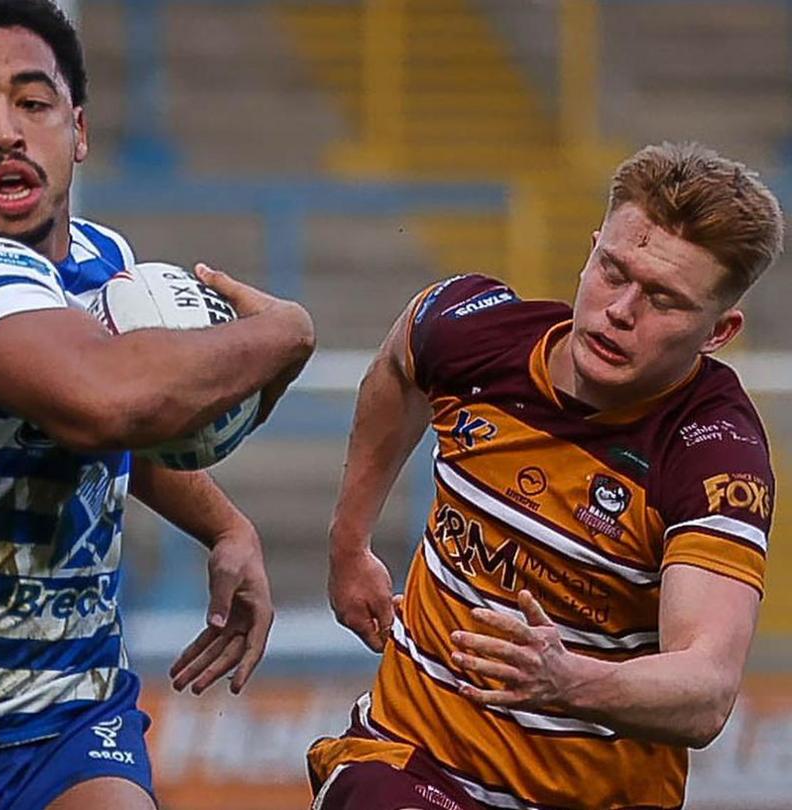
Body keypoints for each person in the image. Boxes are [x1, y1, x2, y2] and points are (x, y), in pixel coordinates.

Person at [0, 1, 316, 808]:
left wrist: (224, 525)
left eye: (33, 104)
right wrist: (286, 334)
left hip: (68, 718)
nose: (5, 131)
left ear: (77, 132)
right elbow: (104, 403)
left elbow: (130, 421)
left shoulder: (104, 264)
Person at [310, 142, 784, 810]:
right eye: (613, 269)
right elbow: (398, 362)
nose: (620, 309)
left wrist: (568, 682)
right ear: (591, 249)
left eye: (663, 300)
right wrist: (348, 543)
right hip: (411, 764)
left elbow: (706, 690)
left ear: (719, 331)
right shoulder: (476, 336)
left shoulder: (711, 453)